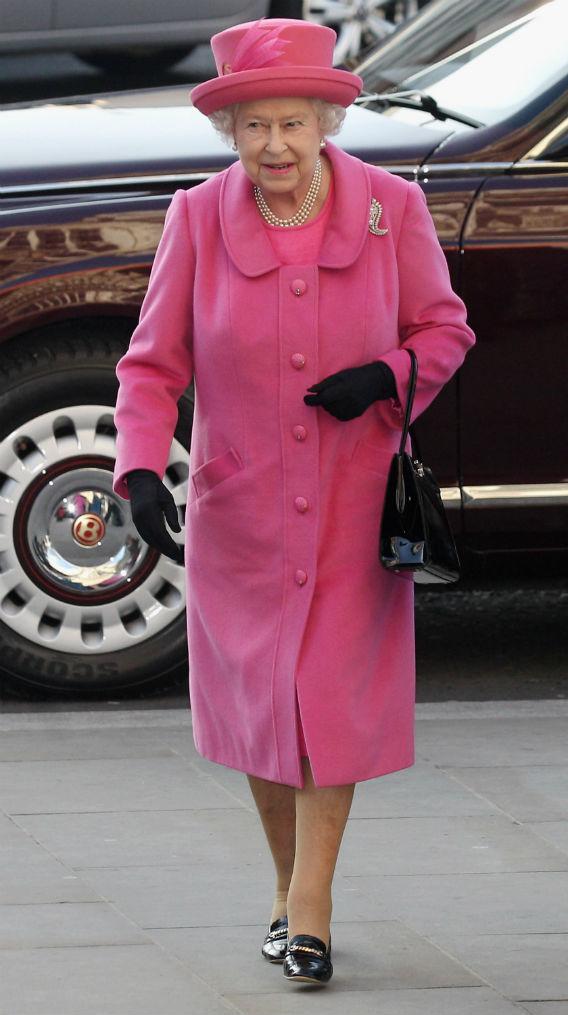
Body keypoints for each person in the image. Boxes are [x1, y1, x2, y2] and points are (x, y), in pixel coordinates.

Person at [112, 17, 476, 987]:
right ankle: (284, 885)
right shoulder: (196, 218)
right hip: (244, 512)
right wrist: (141, 469)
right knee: (265, 717)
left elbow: (445, 331)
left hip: (356, 508)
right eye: (255, 127)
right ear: (231, 134)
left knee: (332, 704)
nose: (274, 144)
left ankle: (308, 906)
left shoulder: (390, 209)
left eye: (292, 124)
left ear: (326, 123)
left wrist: (388, 376)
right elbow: (151, 368)